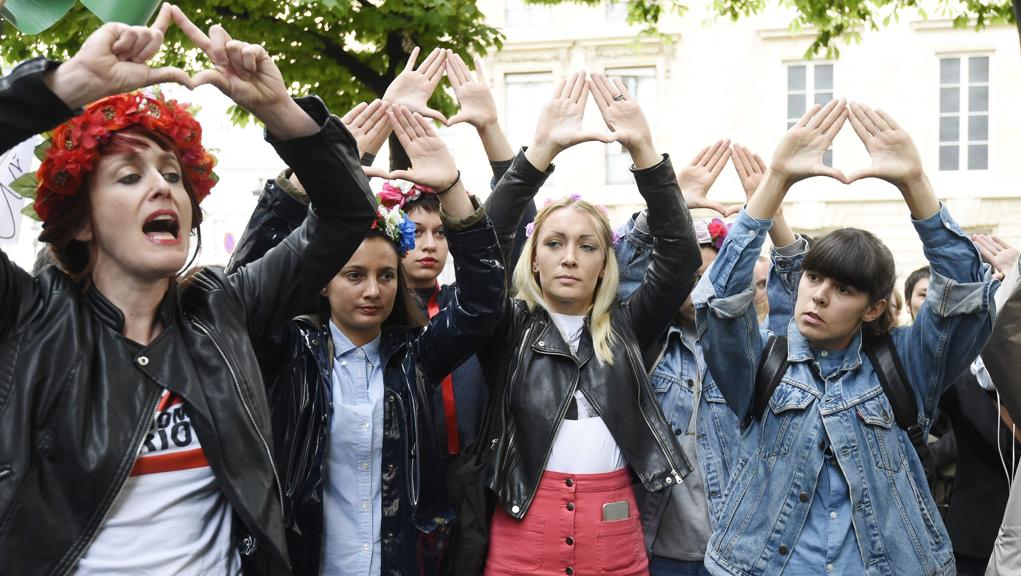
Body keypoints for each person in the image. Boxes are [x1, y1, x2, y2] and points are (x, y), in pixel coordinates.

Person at [0, 5, 378, 575]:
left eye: (173, 175)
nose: (162, 187)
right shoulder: (27, 317)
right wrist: (66, 86)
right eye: (130, 176)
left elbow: (347, 214)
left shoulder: (222, 309)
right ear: (80, 223)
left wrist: (278, 109)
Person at [693, 99, 997, 575]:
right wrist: (776, 180)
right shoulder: (763, 363)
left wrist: (914, 182)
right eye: (814, 278)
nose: (818, 296)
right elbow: (719, 302)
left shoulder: (904, 365)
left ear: (873, 308)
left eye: (843, 289)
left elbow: (963, 292)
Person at [476, 71, 700, 576]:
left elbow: (680, 258)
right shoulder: (508, 326)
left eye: (587, 246)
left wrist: (643, 150)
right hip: (522, 528)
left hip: (614, 533)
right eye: (554, 243)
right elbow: (483, 247)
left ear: (604, 264)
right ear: (534, 259)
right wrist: (540, 152)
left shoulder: (627, 326)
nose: (569, 257)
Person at [615, 139, 739, 575]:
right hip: (653, 546)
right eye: (690, 276)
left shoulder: (743, 353)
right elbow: (623, 278)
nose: (699, 288)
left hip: (728, 549)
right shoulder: (645, 341)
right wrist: (664, 206)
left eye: (710, 277)